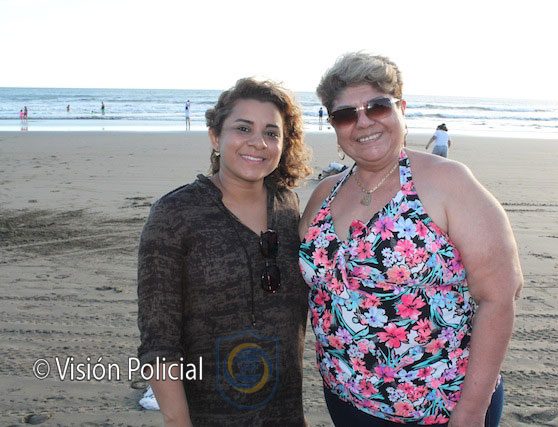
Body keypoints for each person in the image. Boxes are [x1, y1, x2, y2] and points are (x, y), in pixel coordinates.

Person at [299, 52, 523, 426]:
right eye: (346, 114)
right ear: (333, 125)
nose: (363, 121)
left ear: (401, 109)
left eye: (377, 106)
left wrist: (471, 412)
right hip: (344, 398)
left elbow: (500, 296)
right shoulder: (325, 193)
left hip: (437, 408)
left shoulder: (448, 182)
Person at [138, 77, 312, 426]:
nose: (258, 142)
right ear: (215, 137)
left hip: (287, 415)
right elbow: (159, 342)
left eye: (271, 133)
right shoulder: (175, 213)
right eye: (243, 128)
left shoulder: (288, 208)